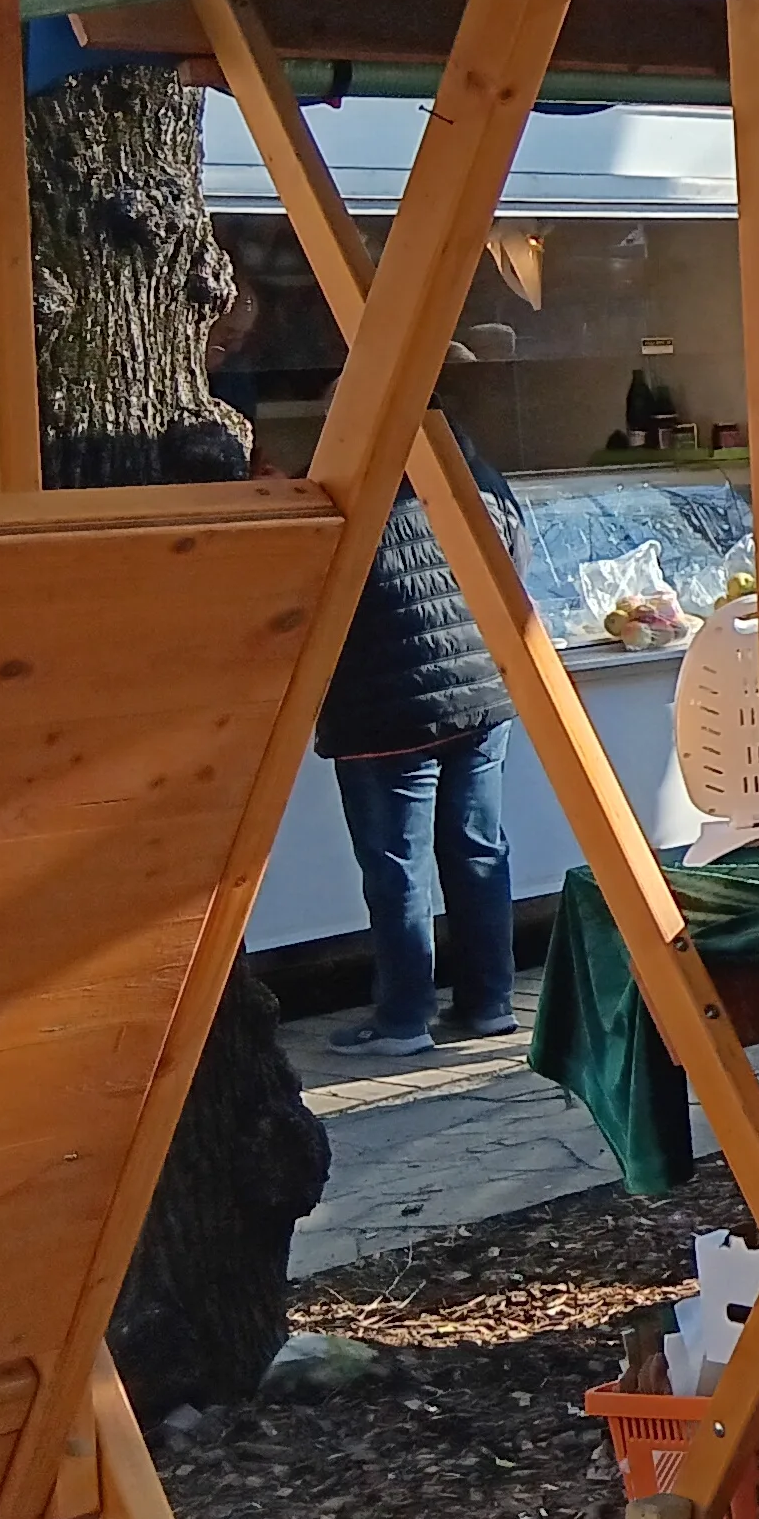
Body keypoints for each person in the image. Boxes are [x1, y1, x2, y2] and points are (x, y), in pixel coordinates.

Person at [320, 418, 527, 1054]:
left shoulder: (345, 494)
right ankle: (490, 1004)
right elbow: (516, 570)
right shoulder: (481, 478)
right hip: (483, 696)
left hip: (383, 713)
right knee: (478, 852)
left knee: (398, 870)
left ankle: (404, 1019)